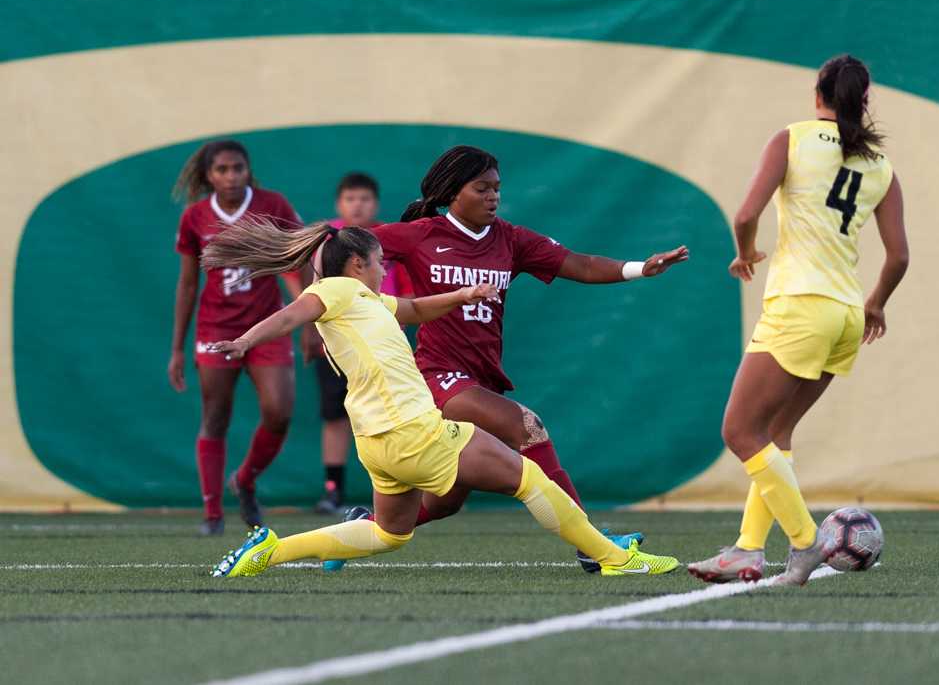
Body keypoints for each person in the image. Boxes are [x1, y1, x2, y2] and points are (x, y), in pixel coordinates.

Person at [199, 220, 680, 578]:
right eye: (380, 261)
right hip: (412, 428)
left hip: (377, 442)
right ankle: (612, 558)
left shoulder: (365, 301)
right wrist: (246, 341)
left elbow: (410, 308)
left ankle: (271, 550)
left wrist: (462, 293)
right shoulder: (337, 289)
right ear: (357, 264)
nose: (385, 268)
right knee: (528, 475)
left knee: (390, 533)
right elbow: (292, 313)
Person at [371, 145, 689, 572]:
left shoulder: (511, 238)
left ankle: (365, 524)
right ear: (452, 192)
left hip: (481, 381)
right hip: (437, 376)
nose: (493, 196)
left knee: (444, 502)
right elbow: (351, 248)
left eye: (497, 188)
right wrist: (337, 292)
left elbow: (581, 264)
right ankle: (593, 546)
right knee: (528, 426)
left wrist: (638, 268)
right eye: (481, 188)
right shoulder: (421, 233)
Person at [687, 54, 909, 586]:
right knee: (777, 431)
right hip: (846, 313)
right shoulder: (880, 166)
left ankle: (807, 543)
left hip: (801, 304)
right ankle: (746, 549)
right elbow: (899, 257)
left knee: (740, 430)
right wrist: (876, 302)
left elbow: (745, 215)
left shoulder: (792, 138)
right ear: (863, 101)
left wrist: (744, 253)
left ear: (819, 94)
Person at [168, 140, 304, 536]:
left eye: (237, 168)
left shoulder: (272, 205)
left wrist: (311, 321)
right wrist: (177, 348)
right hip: (215, 329)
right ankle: (212, 514)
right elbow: (188, 283)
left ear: (248, 170)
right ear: (208, 175)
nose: (230, 176)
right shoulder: (195, 217)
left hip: (267, 325)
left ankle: (244, 479)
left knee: (279, 412)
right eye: (222, 170)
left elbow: (298, 259)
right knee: (215, 416)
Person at [312, 172, 414, 514]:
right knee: (336, 414)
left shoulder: (388, 240)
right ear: (339, 203)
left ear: (376, 203)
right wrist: (312, 329)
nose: (358, 204)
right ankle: (333, 489)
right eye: (351, 198)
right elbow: (314, 292)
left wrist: (393, 324)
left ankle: (407, 484)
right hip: (340, 345)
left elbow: (407, 292)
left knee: (396, 412)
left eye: (365, 198)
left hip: (385, 345)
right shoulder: (328, 238)